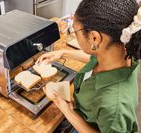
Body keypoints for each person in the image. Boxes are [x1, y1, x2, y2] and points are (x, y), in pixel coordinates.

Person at [36, 0, 141, 132]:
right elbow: (93, 57)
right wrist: (63, 53)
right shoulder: (121, 52)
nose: (75, 34)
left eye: (75, 31)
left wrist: (68, 111)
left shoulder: (114, 106)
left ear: (94, 38)